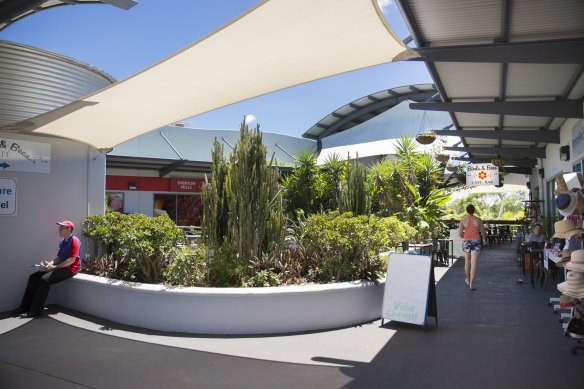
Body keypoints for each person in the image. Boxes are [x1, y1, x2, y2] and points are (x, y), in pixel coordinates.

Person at [11, 221, 81, 318]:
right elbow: (58, 258)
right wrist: (49, 263)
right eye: (59, 228)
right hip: (60, 266)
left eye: (61, 228)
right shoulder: (62, 242)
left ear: (69, 229)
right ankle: (24, 307)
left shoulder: (74, 240)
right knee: (33, 277)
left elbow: (71, 260)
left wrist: (55, 267)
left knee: (44, 280)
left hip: (70, 269)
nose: (59, 230)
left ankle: (36, 311)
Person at [458, 204, 487, 291]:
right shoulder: (478, 220)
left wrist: (465, 237)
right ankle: (471, 284)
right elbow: (483, 232)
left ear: (467, 211)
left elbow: (459, 234)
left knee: (467, 262)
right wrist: (484, 239)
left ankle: (468, 279)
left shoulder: (463, 220)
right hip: (476, 241)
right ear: (474, 210)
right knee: (474, 263)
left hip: (467, 241)